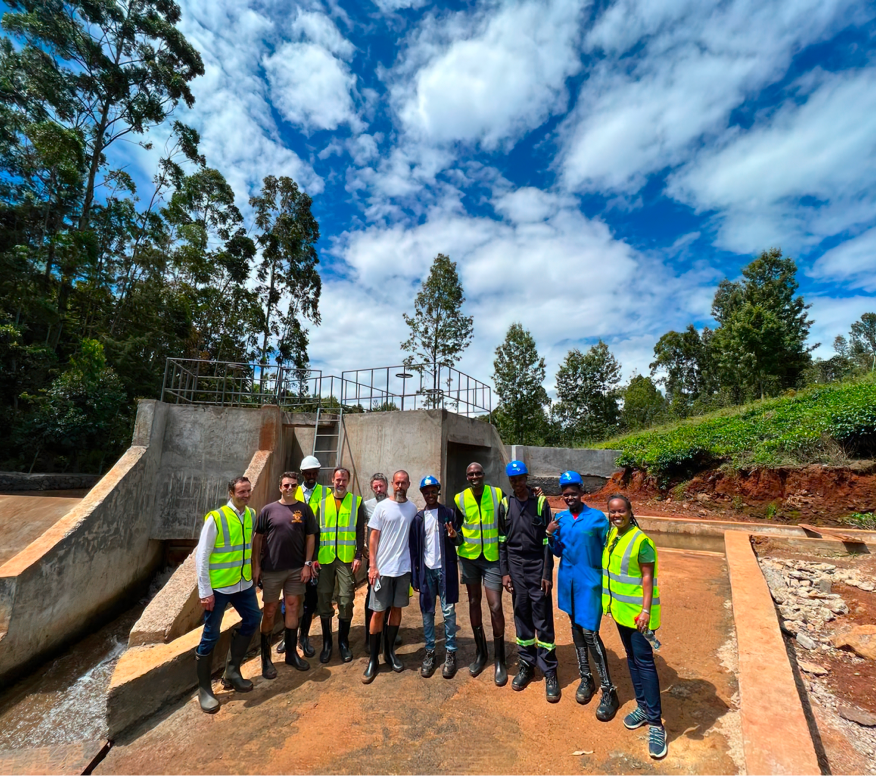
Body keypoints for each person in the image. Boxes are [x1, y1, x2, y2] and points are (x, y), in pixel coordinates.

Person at [547, 471, 619, 720]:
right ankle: (586, 678)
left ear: (581, 492)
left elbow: (610, 550)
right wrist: (549, 535)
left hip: (590, 584)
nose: (569, 497)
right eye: (565, 494)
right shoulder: (561, 519)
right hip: (568, 582)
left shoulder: (598, 519)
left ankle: (609, 689)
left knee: (590, 633)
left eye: (573, 493)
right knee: (576, 629)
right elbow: (557, 551)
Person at [603, 494, 667, 760]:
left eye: (620, 511)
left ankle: (655, 724)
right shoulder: (612, 535)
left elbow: (647, 577)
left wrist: (644, 611)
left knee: (645, 663)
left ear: (630, 512)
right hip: (620, 612)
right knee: (631, 659)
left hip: (638, 616)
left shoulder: (642, 541)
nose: (616, 515)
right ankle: (642, 707)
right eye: (612, 512)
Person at [194, 476, 261, 714]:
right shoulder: (217, 518)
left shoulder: (251, 515)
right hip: (219, 588)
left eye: (248, 491)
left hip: (243, 584)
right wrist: (205, 592)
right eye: (241, 491)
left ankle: (232, 671)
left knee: (253, 619)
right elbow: (201, 556)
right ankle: (204, 689)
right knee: (210, 635)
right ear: (231, 493)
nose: (245, 495)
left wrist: (254, 571)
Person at [498, 461, 559, 702]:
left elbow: (547, 541)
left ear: (526, 478)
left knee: (542, 617)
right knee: (521, 615)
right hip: (515, 567)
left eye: (520, 478)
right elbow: (502, 541)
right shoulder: (505, 504)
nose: (517, 483)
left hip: (537, 566)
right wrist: (505, 572)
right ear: (509, 481)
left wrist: (546, 573)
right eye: (513, 479)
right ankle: (526, 663)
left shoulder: (541, 503)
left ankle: (550, 670)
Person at [251, 472, 317, 676]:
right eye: (286, 485)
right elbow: (258, 538)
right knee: (269, 611)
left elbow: (310, 537)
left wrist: (307, 564)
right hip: (271, 570)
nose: (290, 488)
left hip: (296, 569)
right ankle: (266, 659)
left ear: (297, 487)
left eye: (294, 485)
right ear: (280, 487)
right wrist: (256, 566)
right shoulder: (268, 510)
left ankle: (290, 653)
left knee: (293, 607)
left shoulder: (304, 509)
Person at [454, 462, 507, 686]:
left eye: (478, 473)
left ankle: (500, 659)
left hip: (493, 558)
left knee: (495, 606)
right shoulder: (460, 499)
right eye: (470, 474)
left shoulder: (497, 494)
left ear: (483, 475)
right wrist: (452, 536)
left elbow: (508, 520)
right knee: (474, 602)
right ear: (467, 477)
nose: (474, 476)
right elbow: (457, 529)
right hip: (470, 558)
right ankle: (481, 652)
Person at [363, 470, 419, 683]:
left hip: (403, 570)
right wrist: (373, 565)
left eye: (403, 483)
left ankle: (389, 653)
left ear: (408, 484)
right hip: (382, 571)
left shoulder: (412, 509)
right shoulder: (382, 507)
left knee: (396, 610)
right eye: (397, 483)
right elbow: (373, 537)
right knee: (378, 612)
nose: (400, 486)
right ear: (392, 485)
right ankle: (373, 660)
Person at [409, 475, 463, 679]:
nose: (430, 495)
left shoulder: (448, 513)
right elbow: (414, 550)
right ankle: (430, 651)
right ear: (422, 494)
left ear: (438, 492)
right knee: (427, 612)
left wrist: (453, 536)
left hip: (445, 569)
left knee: (448, 612)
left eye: (433, 491)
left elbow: (460, 539)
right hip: (426, 571)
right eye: (426, 492)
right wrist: (415, 576)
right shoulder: (418, 519)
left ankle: (450, 651)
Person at [315, 466, 366, 664]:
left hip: (345, 559)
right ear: (332, 480)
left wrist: (358, 556)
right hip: (325, 558)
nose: (341, 483)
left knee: (346, 599)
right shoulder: (322, 503)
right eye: (337, 479)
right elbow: (317, 532)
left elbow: (360, 529)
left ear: (348, 481)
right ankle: (328, 643)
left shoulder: (356, 502)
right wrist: (313, 557)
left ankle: (343, 642)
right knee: (324, 597)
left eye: (344, 480)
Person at [276, 455, 326, 657]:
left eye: (315, 472)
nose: (312, 476)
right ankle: (287, 637)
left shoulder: (325, 494)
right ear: (302, 474)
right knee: (288, 598)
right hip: (292, 555)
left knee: (310, 599)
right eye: (308, 473)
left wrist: (315, 558)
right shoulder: (292, 492)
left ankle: (304, 638)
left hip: (312, 556)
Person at [363, 473, 389, 644]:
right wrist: (363, 548)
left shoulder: (395, 503)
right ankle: (370, 635)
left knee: (390, 599)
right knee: (372, 597)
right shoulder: (367, 506)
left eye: (381, 486)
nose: (379, 489)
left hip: (392, 559)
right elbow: (360, 528)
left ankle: (388, 632)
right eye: (375, 487)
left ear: (387, 485)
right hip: (375, 559)